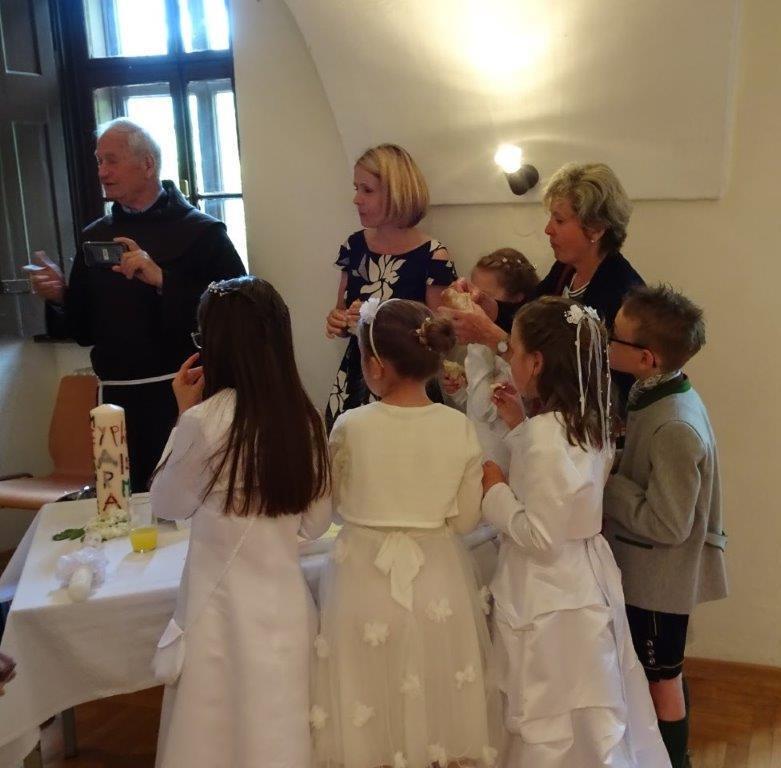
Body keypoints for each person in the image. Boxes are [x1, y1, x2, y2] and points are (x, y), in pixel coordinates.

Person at [151, 276, 332, 768]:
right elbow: (315, 524)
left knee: (213, 732)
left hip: (217, 608)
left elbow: (167, 503)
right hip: (285, 603)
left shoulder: (204, 420)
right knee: (279, 721)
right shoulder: (305, 418)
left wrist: (182, 413)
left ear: (215, 346)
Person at [481, 296, 670, 767]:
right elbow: (566, 494)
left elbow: (542, 536)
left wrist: (495, 490)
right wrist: (519, 426)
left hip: (546, 590)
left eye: (514, 351)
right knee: (587, 697)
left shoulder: (546, 437)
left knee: (548, 700)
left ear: (536, 363)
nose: (510, 359)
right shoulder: (590, 423)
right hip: (584, 576)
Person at [313, 298, 498, 768]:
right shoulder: (458, 426)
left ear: (374, 366)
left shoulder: (351, 425)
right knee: (433, 692)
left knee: (364, 692)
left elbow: (333, 507)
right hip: (437, 578)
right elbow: (465, 521)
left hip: (361, 579)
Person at [29, 118, 245, 491]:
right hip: (114, 401)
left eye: (111, 161)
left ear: (147, 164)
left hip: (181, 393)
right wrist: (60, 297)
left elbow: (239, 311)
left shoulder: (202, 232)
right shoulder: (95, 236)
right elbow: (82, 331)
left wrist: (163, 280)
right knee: (121, 500)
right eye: (98, 161)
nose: (102, 172)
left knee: (183, 497)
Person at [603, 285, 728, 768]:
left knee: (663, 681)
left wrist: (609, 480)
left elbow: (669, 524)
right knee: (659, 674)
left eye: (615, 336)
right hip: (649, 573)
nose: (608, 341)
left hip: (659, 581)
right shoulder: (654, 393)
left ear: (647, 358)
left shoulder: (675, 424)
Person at [444, 162, 644, 409]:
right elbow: (529, 315)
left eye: (559, 220)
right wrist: (490, 307)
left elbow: (575, 377)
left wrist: (493, 337)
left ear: (595, 229)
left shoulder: (620, 293)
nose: (548, 229)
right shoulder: (566, 269)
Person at [324, 143, 457, 431]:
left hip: (409, 385)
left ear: (397, 193)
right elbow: (341, 313)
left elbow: (440, 338)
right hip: (357, 379)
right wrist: (340, 321)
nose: (356, 199)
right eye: (356, 188)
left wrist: (376, 321)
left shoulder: (433, 255)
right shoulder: (354, 246)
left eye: (367, 190)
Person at [442, 248, 539, 471]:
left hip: (504, 463)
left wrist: (478, 346)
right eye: (471, 293)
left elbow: (485, 408)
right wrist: (459, 390)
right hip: (480, 454)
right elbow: (474, 407)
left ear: (514, 300)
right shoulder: (485, 347)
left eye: (484, 295)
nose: (472, 302)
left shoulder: (514, 357)